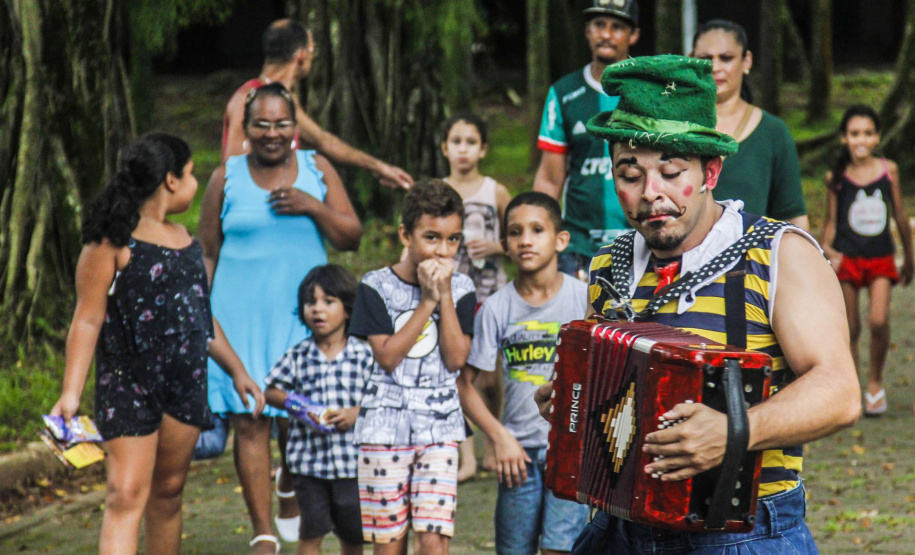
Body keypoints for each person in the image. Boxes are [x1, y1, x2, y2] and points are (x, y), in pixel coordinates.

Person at [536, 55, 860, 553]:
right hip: (620, 529)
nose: (652, 194)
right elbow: (610, 397)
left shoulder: (781, 254)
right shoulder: (607, 266)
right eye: (630, 174)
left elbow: (840, 392)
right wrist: (569, 403)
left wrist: (735, 431)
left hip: (745, 535)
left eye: (671, 172)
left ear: (711, 170)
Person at [50, 133, 265, 555]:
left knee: (168, 492)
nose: (195, 183)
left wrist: (237, 370)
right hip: (128, 385)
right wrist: (70, 394)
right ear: (170, 180)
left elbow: (200, 317)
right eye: (191, 174)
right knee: (126, 494)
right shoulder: (111, 242)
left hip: (184, 385)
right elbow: (87, 319)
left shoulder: (187, 242)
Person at [199, 83, 363, 555]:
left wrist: (312, 205)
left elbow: (351, 236)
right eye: (262, 124)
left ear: (295, 128)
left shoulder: (317, 168)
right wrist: (200, 308)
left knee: (297, 416)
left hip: (303, 316)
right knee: (250, 420)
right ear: (245, 129)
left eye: (282, 124)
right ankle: (262, 532)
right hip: (239, 316)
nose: (272, 133)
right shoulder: (225, 177)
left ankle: (290, 484)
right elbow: (207, 251)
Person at [458, 192, 589, 555]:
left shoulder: (585, 299)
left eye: (537, 230)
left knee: (561, 549)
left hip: (571, 450)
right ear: (505, 244)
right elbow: (465, 385)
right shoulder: (496, 308)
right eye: (515, 232)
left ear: (561, 240)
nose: (525, 240)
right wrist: (499, 437)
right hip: (518, 454)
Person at [349, 180, 476, 554]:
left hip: (439, 427)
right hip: (383, 429)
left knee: (434, 539)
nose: (443, 251)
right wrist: (427, 302)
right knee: (389, 543)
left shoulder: (462, 288)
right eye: (432, 238)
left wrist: (445, 295)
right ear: (405, 235)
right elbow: (388, 358)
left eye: (453, 240)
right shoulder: (375, 286)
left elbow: (455, 359)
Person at [222, 19, 413, 190]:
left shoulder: (285, 100)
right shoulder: (249, 98)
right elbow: (233, 165)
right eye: (313, 50)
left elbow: (323, 141)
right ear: (301, 55)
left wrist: (379, 167)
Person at [264, 265, 373, 555]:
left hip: (353, 466)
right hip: (308, 466)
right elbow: (271, 391)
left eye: (328, 301)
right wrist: (300, 407)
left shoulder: (364, 355)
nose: (317, 309)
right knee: (311, 532)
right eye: (310, 302)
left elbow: (383, 399)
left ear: (348, 309)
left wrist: (356, 413)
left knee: (353, 536)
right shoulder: (298, 355)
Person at [534, 0, 640, 280]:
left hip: (642, 241)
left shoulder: (648, 92)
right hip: (577, 247)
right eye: (598, 25)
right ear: (587, 31)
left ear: (634, 35)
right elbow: (549, 179)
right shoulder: (564, 93)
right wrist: (539, 236)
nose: (606, 34)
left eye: (617, 27)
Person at [821, 105, 914, 416]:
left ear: (878, 137)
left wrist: (909, 257)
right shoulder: (835, 177)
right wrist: (825, 250)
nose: (861, 140)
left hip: (881, 259)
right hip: (848, 259)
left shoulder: (889, 171)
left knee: (878, 321)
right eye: (854, 133)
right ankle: (851, 386)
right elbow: (831, 221)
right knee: (851, 327)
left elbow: (900, 215)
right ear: (844, 138)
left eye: (868, 133)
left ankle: (875, 381)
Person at [440, 112, 511, 481]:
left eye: (470, 142)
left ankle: (494, 439)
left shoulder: (495, 191)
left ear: (483, 149)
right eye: (456, 142)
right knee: (458, 372)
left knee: (489, 377)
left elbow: (520, 236)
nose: (463, 149)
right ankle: (465, 454)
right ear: (445, 148)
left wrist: (497, 246)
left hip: (489, 293)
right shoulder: (438, 192)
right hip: (450, 297)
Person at [691, 19, 809, 230]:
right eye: (705, 59)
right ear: (691, 60)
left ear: (746, 61)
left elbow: (793, 218)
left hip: (753, 251)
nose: (715, 67)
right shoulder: (672, 127)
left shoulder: (773, 132)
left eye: (726, 58)